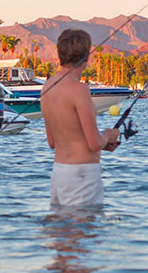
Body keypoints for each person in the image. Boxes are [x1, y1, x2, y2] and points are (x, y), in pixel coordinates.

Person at [40, 29, 120, 207]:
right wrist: (107, 135)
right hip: (82, 177)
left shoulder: (46, 87)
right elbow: (93, 143)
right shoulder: (79, 90)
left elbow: (53, 142)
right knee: (85, 232)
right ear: (86, 57)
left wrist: (102, 143)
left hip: (59, 174)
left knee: (60, 232)